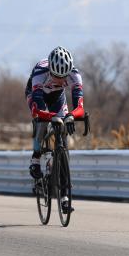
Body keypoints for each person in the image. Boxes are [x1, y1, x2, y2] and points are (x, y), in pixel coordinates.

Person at [25, 46, 85, 184]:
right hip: (37, 95)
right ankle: (35, 156)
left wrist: (71, 116)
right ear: (51, 70)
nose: (59, 80)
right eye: (56, 76)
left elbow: (79, 107)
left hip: (57, 96)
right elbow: (38, 107)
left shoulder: (75, 75)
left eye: (63, 77)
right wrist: (50, 116)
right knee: (42, 121)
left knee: (63, 129)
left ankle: (63, 183)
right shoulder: (41, 72)